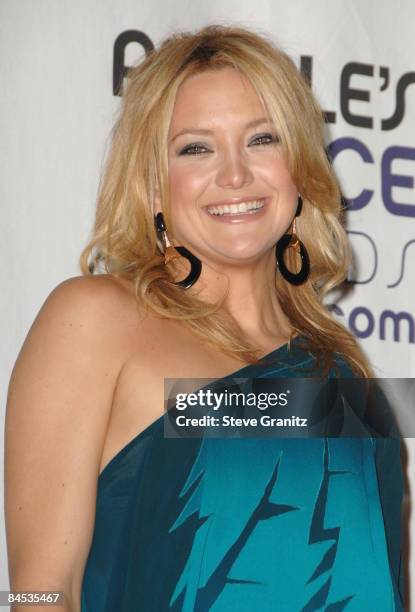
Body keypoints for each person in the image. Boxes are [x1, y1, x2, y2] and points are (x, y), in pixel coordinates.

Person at [5, 24, 405, 611]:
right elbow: (42, 591)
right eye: (196, 147)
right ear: (154, 186)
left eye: (262, 139)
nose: (235, 175)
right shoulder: (97, 320)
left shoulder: (341, 370)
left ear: (299, 167)